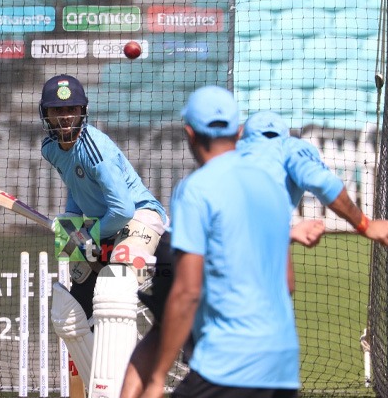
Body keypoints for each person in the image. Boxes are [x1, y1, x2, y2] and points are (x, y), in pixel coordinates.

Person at [140, 85, 298, 398]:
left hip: (227, 363)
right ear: (239, 132)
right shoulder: (271, 184)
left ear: (189, 134)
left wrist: (157, 378)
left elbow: (187, 291)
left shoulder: (196, 189)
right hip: (282, 362)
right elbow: (288, 282)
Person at [39, 74, 167, 398]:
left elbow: (123, 209)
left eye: (72, 108)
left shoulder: (94, 149)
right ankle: (99, 389)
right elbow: (75, 186)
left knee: (115, 285)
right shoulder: (50, 149)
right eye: (58, 110)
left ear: (83, 111)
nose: (65, 116)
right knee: (70, 314)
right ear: (47, 115)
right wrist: (69, 222)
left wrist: (89, 237)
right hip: (98, 223)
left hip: (140, 216)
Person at [238, 110, 388, 247]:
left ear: (242, 134)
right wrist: (365, 225)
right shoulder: (289, 146)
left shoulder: (227, 153)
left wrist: (290, 235)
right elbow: (323, 183)